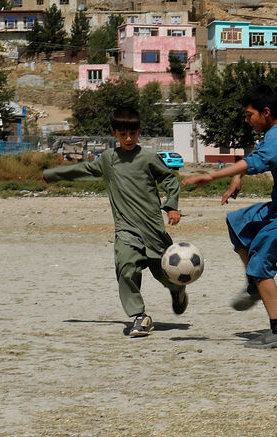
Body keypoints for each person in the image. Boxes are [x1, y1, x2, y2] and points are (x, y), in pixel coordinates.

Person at [181, 84, 277, 349]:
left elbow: (258, 162)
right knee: (238, 222)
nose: (247, 121)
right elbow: (255, 158)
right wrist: (236, 177)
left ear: (266, 112)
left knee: (260, 259)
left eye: (249, 115)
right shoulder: (274, 133)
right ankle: (253, 285)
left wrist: (212, 175)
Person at [42, 108, 186, 338]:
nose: (128, 139)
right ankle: (140, 316)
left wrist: (172, 206)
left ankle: (177, 289)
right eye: (122, 134)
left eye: (132, 134)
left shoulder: (148, 158)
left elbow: (169, 179)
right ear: (114, 133)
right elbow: (84, 169)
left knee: (165, 273)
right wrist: (53, 175)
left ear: (139, 132)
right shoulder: (109, 160)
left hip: (152, 229)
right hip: (126, 229)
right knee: (126, 268)